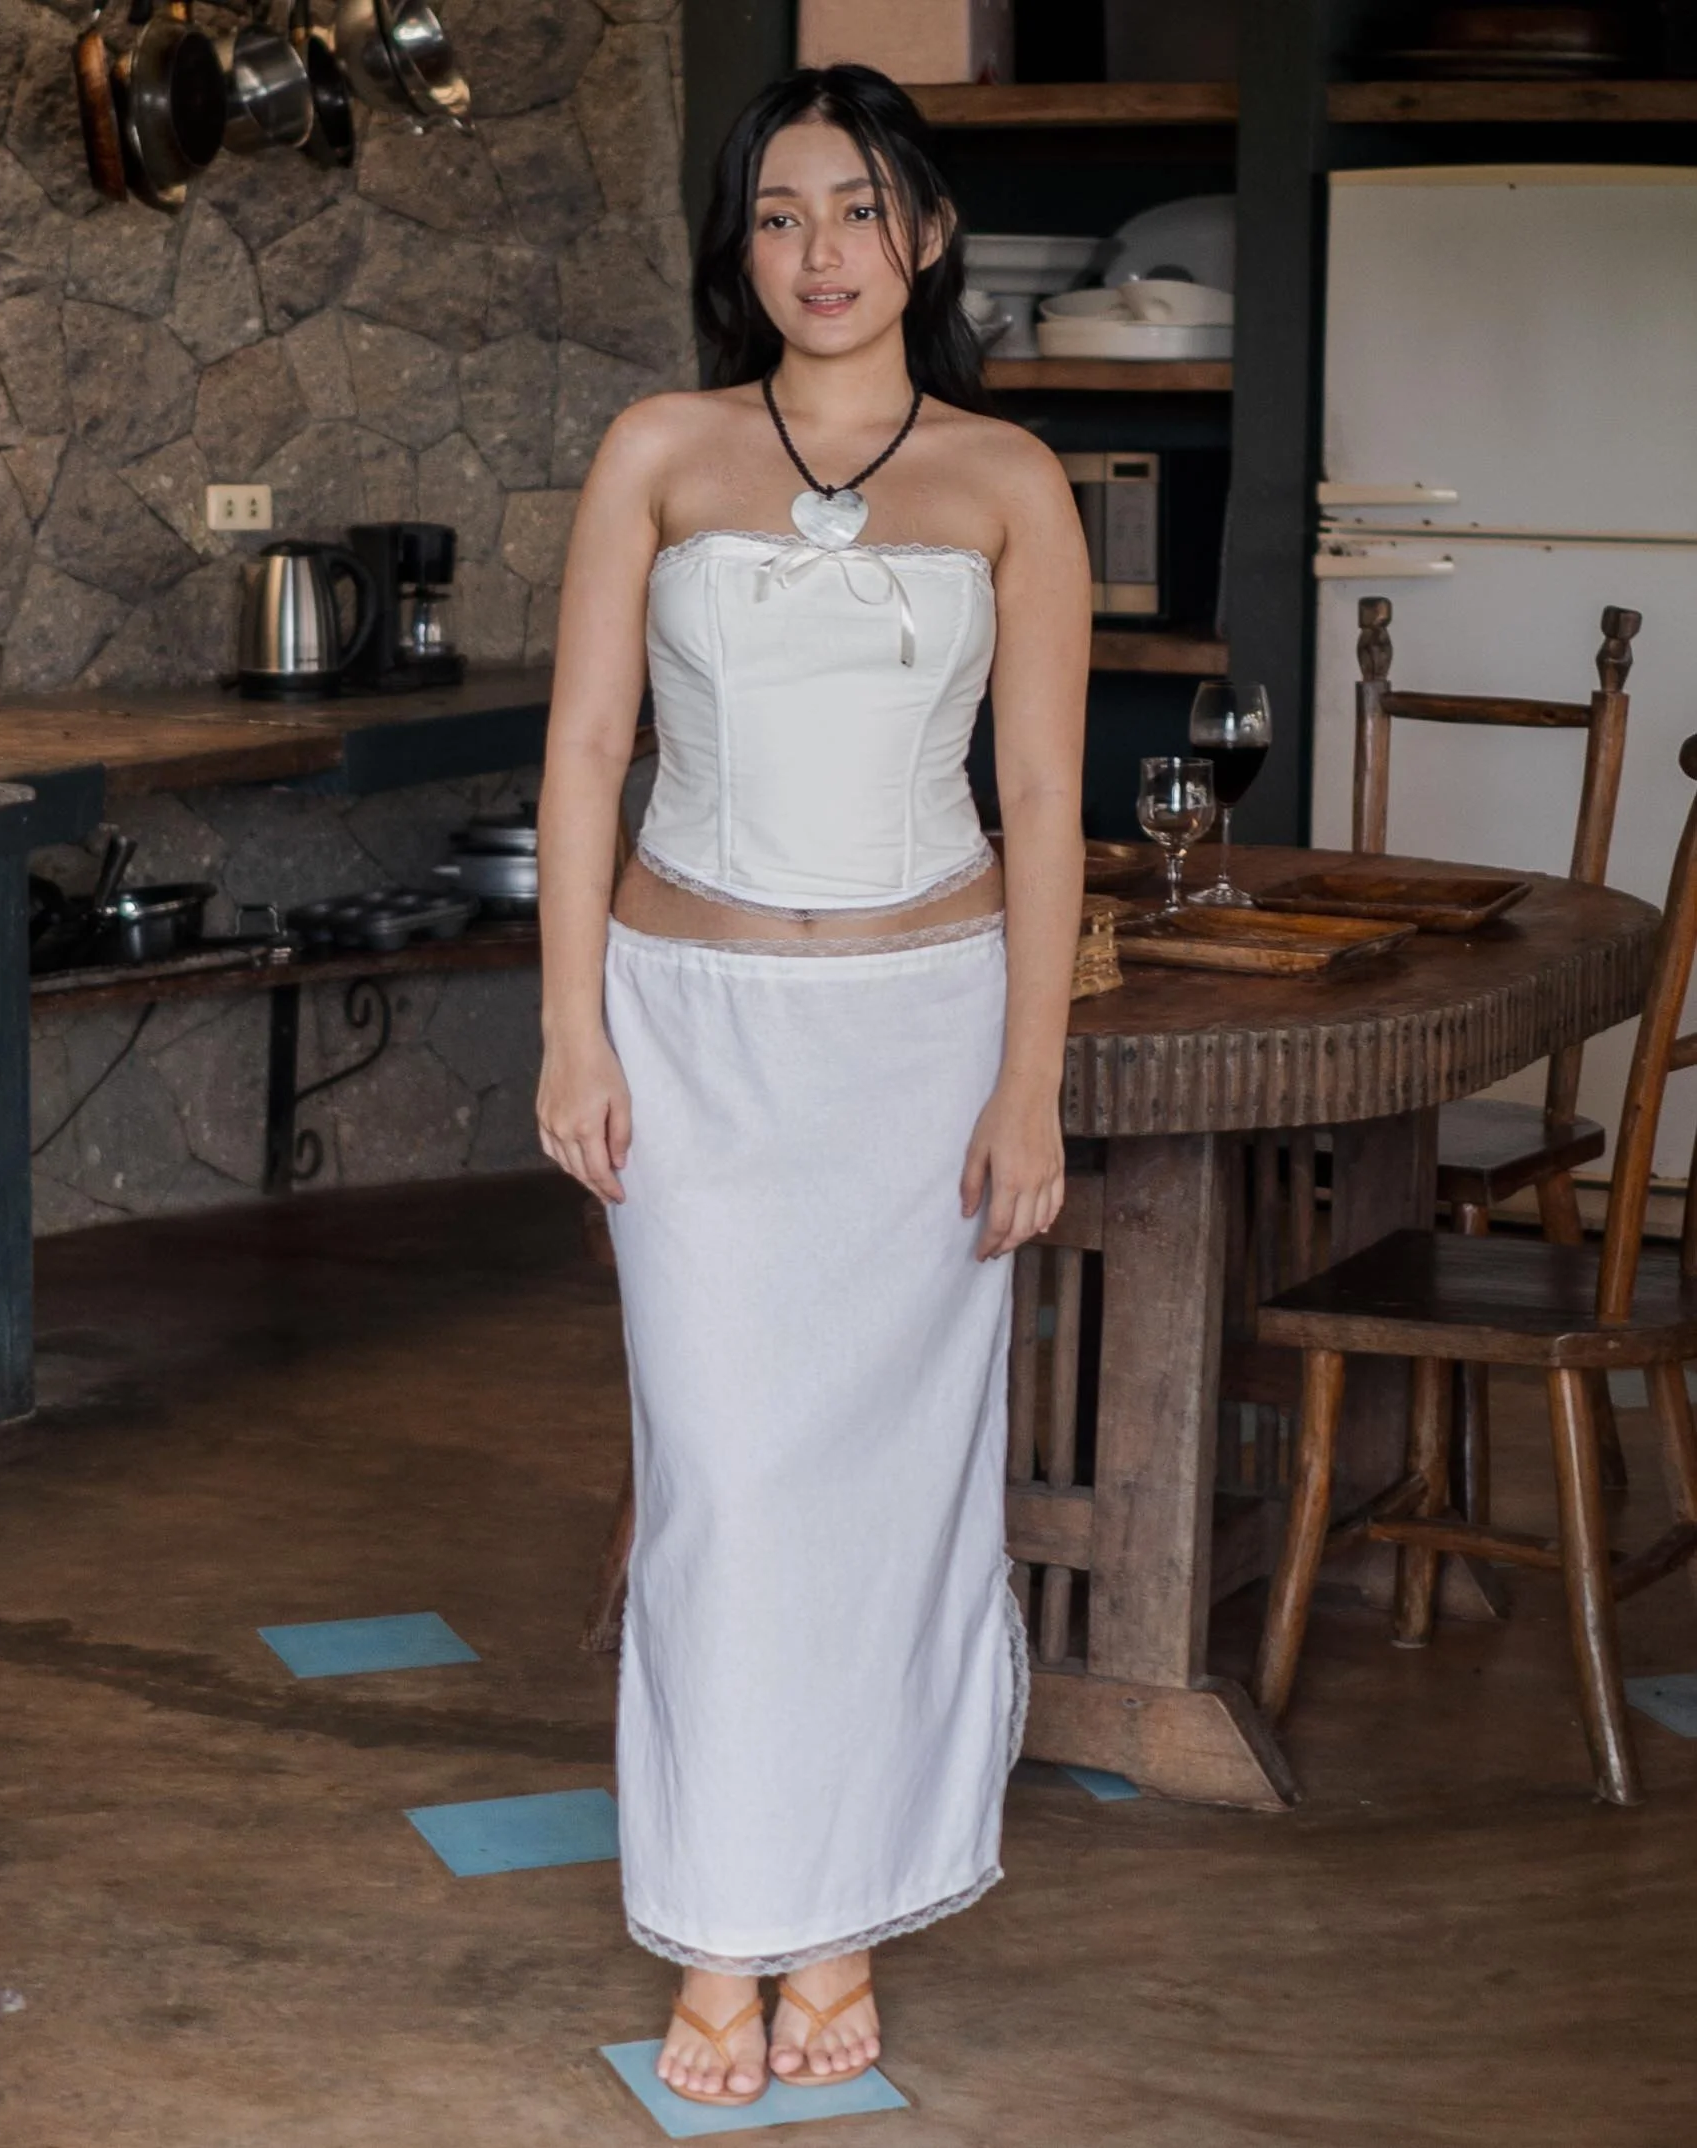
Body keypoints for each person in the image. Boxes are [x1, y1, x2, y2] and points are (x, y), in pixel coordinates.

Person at [535, 62, 1088, 2110]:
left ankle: (835, 1916)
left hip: (918, 1038)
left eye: (858, 211)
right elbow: (589, 753)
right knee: (720, 1491)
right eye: (779, 217)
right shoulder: (659, 451)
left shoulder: (1009, 479)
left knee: (891, 1497)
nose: (821, 255)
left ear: (927, 237)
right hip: (691, 1031)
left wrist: (1027, 1083)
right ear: (736, 250)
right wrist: (569, 1024)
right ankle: (712, 1924)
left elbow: (1040, 795)